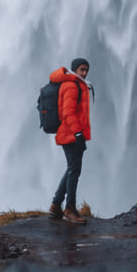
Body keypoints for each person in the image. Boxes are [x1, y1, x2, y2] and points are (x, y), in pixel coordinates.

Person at [48, 58, 92, 224]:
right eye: (81, 69)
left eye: (87, 70)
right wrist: (78, 134)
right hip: (71, 135)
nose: (85, 73)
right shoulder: (72, 85)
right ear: (74, 70)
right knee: (74, 171)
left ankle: (55, 205)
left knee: (72, 169)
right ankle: (70, 209)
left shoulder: (77, 84)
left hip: (73, 134)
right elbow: (68, 113)